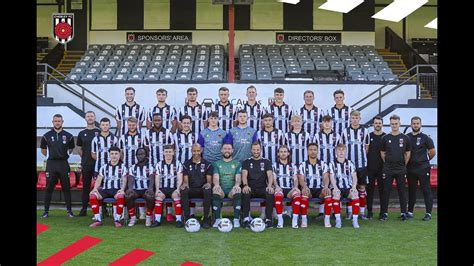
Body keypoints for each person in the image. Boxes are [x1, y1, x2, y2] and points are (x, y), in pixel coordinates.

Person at [40, 114, 76, 218]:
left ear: (62, 122)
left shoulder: (68, 136)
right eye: (55, 121)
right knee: (49, 188)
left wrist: (63, 156)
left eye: (59, 121)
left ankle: (69, 211)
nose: (57, 123)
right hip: (51, 164)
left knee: (66, 188)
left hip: (63, 164)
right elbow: (43, 150)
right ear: (52, 122)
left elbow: (71, 149)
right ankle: (46, 212)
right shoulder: (46, 136)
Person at [380, 114, 411, 221]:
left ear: (399, 124)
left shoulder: (405, 138)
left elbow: (407, 153)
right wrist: (388, 162)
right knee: (386, 191)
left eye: (396, 123)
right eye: (392, 124)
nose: (394, 125)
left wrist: (403, 164)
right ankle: (384, 213)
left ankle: (403, 213)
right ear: (390, 124)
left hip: (401, 169)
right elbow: (383, 153)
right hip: (388, 168)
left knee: (402, 191)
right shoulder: (385, 138)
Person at [340, 110, 370, 220]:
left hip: (361, 164)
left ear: (360, 119)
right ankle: (349, 212)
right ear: (350, 118)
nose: (355, 119)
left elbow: (366, 147)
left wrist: (361, 157)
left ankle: (362, 212)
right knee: (349, 188)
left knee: (361, 187)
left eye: (357, 118)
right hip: (348, 165)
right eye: (353, 117)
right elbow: (342, 147)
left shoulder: (365, 131)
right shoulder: (345, 131)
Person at [88, 146, 127, 228]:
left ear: (119, 155)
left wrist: (122, 189)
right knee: (92, 196)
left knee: (121, 196)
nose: (114, 156)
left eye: (116, 154)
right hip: (105, 190)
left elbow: (124, 179)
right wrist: (95, 189)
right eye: (112, 154)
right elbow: (99, 179)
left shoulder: (123, 167)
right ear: (109, 155)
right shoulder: (104, 167)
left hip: (117, 190)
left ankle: (117, 220)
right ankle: (98, 220)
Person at [406, 116, 436, 221]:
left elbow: (432, 151)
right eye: (414, 123)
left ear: (420, 124)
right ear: (411, 125)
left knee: (426, 190)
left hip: (423, 168)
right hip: (410, 169)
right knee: (411, 190)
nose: (415, 125)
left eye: (417, 123)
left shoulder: (425, 137)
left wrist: (424, 160)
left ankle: (428, 213)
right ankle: (409, 212)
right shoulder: (407, 137)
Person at [241, 142, 275, 229]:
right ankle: (246, 219)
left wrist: (270, 186)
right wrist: (245, 185)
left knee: (270, 193)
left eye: (258, 150)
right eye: (254, 150)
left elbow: (270, 175)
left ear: (261, 150)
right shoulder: (246, 162)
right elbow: (244, 175)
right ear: (251, 150)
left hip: (262, 187)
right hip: (250, 187)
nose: (256, 151)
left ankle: (268, 220)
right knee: (245, 192)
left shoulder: (266, 161)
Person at [298, 143, 332, 227]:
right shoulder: (302, 165)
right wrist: (304, 187)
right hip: (308, 188)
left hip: (319, 189)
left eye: (314, 150)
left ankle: (327, 220)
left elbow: (326, 177)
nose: (313, 152)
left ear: (317, 151)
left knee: (327, 193)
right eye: (310, 150)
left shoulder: (323, 164)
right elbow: (301, 179)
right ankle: (304, 220)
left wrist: (326, 186)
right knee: (304, 193)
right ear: (307, 151)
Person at [180, 143, 213, 229]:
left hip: (202, 189)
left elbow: (209, 181)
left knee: (208, 190)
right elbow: (186, 182)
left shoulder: (207, 164)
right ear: (191, 151)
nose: (196, 153)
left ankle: (206, 219)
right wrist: (185, 185)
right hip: (191, 189)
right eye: (194, 151)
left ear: (201, 150)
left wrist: (208, 184)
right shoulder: (186, 164)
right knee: (184, 190)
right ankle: (187, 218)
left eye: (198, 151)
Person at [328, 144, 361, 228]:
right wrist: (335, 187)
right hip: (337, 187)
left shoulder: (350, 163)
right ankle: (338, 220)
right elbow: (331, 177)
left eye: (343, 150)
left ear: (346, 151)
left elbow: (354, 177)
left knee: (355, 194)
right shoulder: (332, 163)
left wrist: (354, 187)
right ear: (336, 152)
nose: (341, 152)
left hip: (348, 187)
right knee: (336, 194)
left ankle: (355, 220)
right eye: (339, 150)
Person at [151, 145, 184, 228]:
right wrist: (157, 189)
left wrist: (178, 189)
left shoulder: (178, 163)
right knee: (158, 196)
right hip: (163, 188)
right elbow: (157, 177)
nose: (168, 153)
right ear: (163, 153)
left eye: (170, 152)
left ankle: (179, 220)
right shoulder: (159, 164)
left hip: (173, 188)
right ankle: (157, 220)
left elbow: (180, 178)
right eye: (166, 152)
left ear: (173, 152)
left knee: (176, 196)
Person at [212, 143, 242, 228]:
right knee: (215, 190)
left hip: (231, 190)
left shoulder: (237, 163)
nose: (227, 150)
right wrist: (217, 185)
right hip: (221, 189)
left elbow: (238, 177)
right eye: (225, 149)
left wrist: (236, 185)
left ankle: (236, 219)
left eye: (229, 149)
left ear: (232, 150)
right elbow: (216, 177)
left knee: (237, 190)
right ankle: (217, 219)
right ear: (221, 150)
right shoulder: (216, 164)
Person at [76, 111, 100, 216]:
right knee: (86, 187)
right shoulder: (82, 133)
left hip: (99, 164)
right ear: (85, 118)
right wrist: (85, 157)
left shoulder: (99, 132)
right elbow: (79, 149)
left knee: (100, 187)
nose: (90, 118)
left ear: (95, 118)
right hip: (86, 164)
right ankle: (84, 209)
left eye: (92, 116)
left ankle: (101, 210)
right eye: (88, 116)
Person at [125, 148, 155, 227]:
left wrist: (151, 188)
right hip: (136, 190)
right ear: (136, 156)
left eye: (142, 154)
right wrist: (130, 188)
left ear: (146, 155)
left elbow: (152, 178)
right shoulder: (133, 167)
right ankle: (133, 217)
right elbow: (130, 179)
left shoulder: (150, 166)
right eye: (138, 154)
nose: (140, 156)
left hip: (146, 189)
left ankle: (148, 217)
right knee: (128, 195)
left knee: (150, 196)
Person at [272, 145, 301, 228]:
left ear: (288, 153)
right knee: (277, 196)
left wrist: (295, 187)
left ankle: (294, 221)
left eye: (285, 152)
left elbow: (295, 179)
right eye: (281, 152)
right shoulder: (274, 165)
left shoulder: (293, 165)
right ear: (278, 154)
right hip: (280, 188)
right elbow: (274, 178)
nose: (283, 153)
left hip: (290, 189)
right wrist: (277, 186)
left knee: (297, 195)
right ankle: (280, 220)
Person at [366, 116, 386, 219]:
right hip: (370, 168)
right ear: (373, 124)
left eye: (379, 123)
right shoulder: (368, 136)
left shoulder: (386, 137)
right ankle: (369, 212)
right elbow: (366, 151)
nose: (378, 124)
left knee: (383, 191)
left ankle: (383, 213)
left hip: (382, 169)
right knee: (370, 191)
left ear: (382, 124)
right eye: (376, 123)